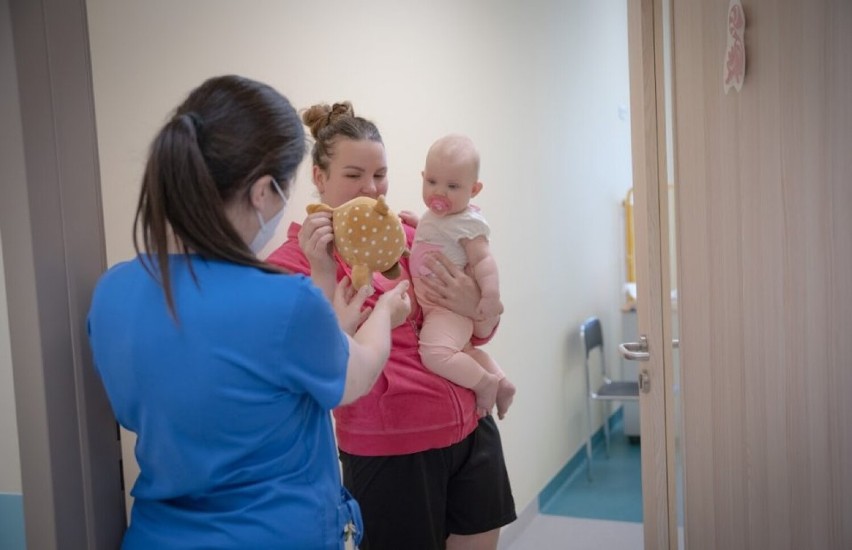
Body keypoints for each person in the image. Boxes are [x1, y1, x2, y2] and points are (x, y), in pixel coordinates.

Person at [86, 76, 411, 550]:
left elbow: (216, 388)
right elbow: (354, 377)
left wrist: (329, 324)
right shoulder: (284, 300)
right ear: (262, 192)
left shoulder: (112, 292)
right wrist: (384, 311)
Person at [267, 101, 516, 550]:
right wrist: (324, 273)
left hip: (471, 427)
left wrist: (478, 305)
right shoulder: (289, 266)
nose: (372, 188)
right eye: (353, 174)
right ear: (320, 178)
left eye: (380, 174)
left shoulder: (408, 234)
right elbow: (322, 367)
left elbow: (472, 332)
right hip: (391, 450)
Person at [410, 134, 516, 420]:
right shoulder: (436, 217)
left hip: (448, 308)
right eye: (432, 182)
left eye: (453, 186)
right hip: (438, 307)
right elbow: (439, 239)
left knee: (434, 353)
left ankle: (485, 383)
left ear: (475, 189)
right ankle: (502, 382)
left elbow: (483, 260)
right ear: (423, 177)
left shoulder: (467, 221)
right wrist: (418, 225)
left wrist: (490, 296)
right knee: (463, 351)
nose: (439, 193)